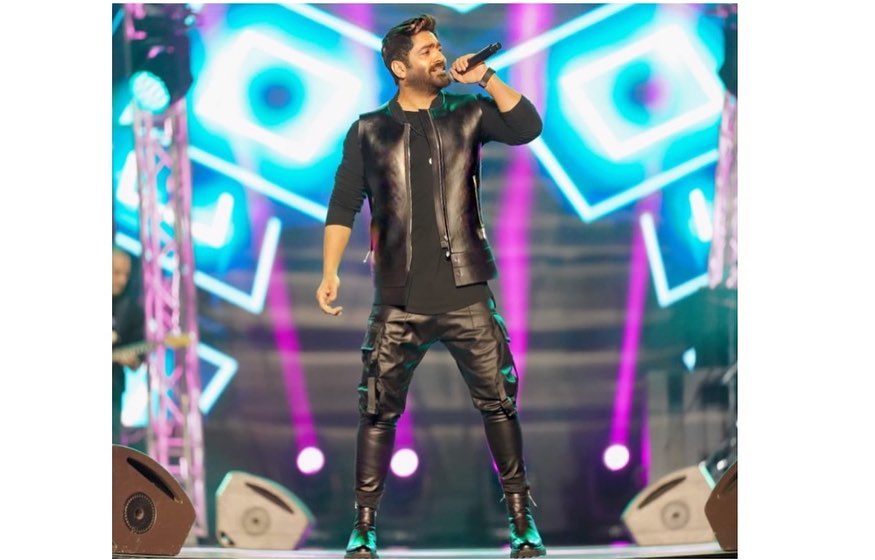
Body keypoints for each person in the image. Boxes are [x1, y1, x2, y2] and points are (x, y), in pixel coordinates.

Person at [316, 14, 545, 559]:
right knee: (377, 411)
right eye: (426, 51)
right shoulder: (369, 130)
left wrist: (485, 77)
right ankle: (364, 529)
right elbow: (344, 202)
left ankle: (522, 524)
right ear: (400, 68)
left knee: (499, 405)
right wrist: (329, 272)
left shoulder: (468, 113)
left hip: (466, 290)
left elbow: (526, 126)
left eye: (439, 47)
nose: (439, 56)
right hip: (399, 298)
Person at [112, 246, 145, 445]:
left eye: (126, 274)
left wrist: (133, 360)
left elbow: (138, 353)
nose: (122, 280)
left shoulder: (131, 310)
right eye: (116, 273)